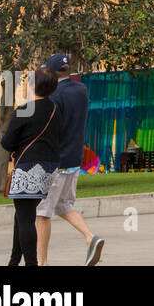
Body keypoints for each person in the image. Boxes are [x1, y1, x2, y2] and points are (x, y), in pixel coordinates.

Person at [36, 53, 104, 266]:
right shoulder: (81, 90)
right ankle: (90, 236)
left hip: (55, 160)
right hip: (75, 158)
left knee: (42, 213)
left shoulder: (54, 95)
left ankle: (42, 262)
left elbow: (49, 128)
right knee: (64, 205)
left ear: (52, 72)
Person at [1, 66, 63, 266]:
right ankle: (14, 259)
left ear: (32, 85)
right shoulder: (54, 110)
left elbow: (7, 142)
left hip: (28, 168)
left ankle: (31, 263)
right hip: (48, 169)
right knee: (22, 214)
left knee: (26, 218)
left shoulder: (25, 110)